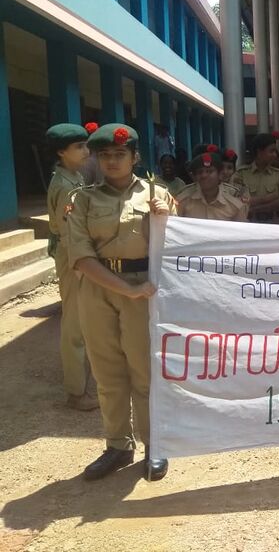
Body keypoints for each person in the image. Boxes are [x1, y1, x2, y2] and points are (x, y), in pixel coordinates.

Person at [67, 123, 175, 481]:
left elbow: (181, 245)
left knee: (144, 371)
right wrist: (123, 289)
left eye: (120, 154)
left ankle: (153, 445)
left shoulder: (157, 193)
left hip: (144, 287)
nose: (112, 161)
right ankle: (117, 445)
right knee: (107, 372)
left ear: (134, 157)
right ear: (97, 159)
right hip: (99, 289)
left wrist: (167, 217)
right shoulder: (82, 199)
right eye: (105, 155)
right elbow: (81, 257)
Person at [45, 122, 98, 411]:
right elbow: (67, 232)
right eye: (78, 146)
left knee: (84, 321)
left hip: (76, 253)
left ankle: (82, 384)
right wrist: (80, 265)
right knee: (75, 325)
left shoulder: (74, 177)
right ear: (61, 152)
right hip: (72, 256)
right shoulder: (66, 186)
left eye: (84, 144)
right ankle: (76, 392)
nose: (85, 150)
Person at [233, 132, 279, 222]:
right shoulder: (241, 174)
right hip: (248, 223)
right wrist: (265, 199)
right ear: (259, 152)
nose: (275, 155)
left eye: (275, 152)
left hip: (273, 223)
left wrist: (255, 208)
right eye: (271, 151)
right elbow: (236, 200)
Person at [176, 150, 248, 221]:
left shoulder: (235, 206)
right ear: (195, 177)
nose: (204, 175)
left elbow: (241, 231)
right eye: (200, 172)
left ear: (220, 175)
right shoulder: (182, 202)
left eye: (209, 171)